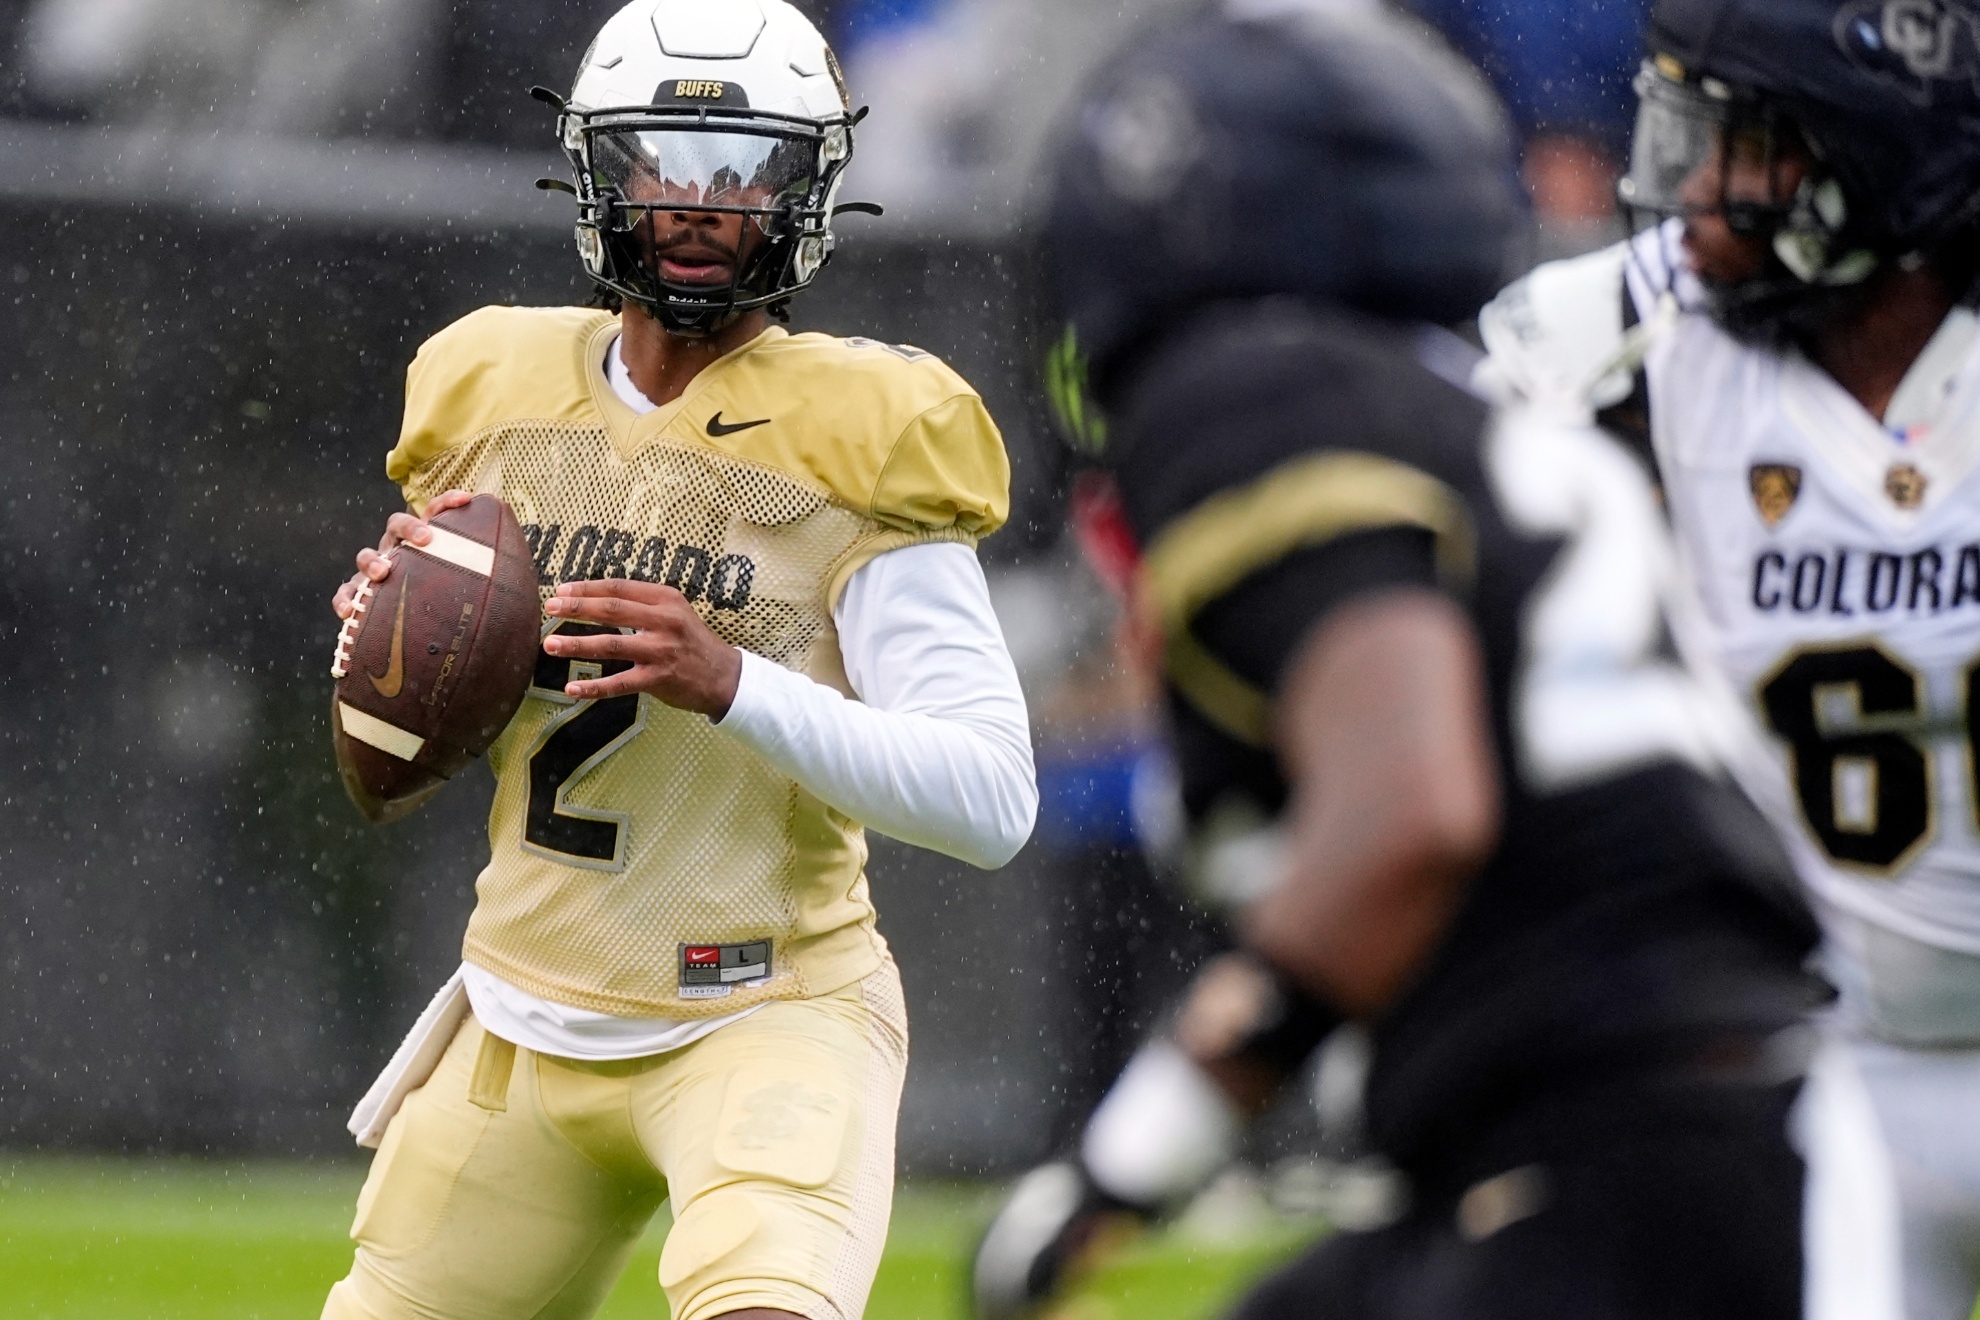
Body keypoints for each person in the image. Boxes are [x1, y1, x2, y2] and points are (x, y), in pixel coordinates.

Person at [991, 3, 1825, 1317]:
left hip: (1611, 1149)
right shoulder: (1441, 407)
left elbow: (1410, 818)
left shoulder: (1256, 386)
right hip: (1707, 1124)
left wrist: (1125, 1160)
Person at [317, 2, 1038, 1317]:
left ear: (804, 189)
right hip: (523, 1023)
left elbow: (994, 799)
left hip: (761, 1015)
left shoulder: (864, 429)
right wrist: (388, 645)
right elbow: (402, 741)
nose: (702, 206)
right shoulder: (489, 389)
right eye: (668, 165)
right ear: (600, 170)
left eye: (745, 170)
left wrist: (738, 683)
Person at [1474, 2, 1980, 1317]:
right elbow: (1417, 453)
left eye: (1743, 144)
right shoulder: (1637, 329)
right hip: (1830, 1069)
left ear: (1869, 153)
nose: (1688, 188)